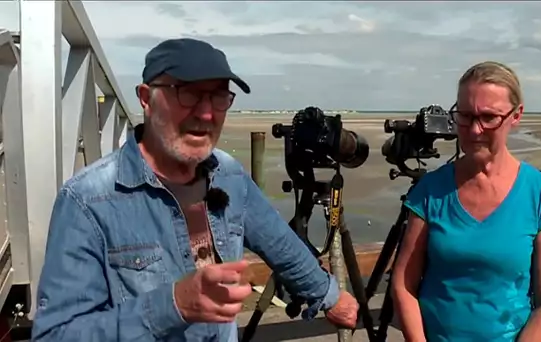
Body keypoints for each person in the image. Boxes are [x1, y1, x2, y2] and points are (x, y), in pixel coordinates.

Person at [32, 38, 358, 341]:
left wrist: (330, 296)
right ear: (146, 98)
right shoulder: (88, 200)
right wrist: (172, 304)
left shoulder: (228, 174)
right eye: (186, 93)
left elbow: (281, 245)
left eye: (218, 96)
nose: (205, 113)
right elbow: (56, 334)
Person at [391, 61, 541, 342]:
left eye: (489, 118)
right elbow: (404, 284)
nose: (475, 130)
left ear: (516, 115)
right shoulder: (430, 191)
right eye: (465, 116)